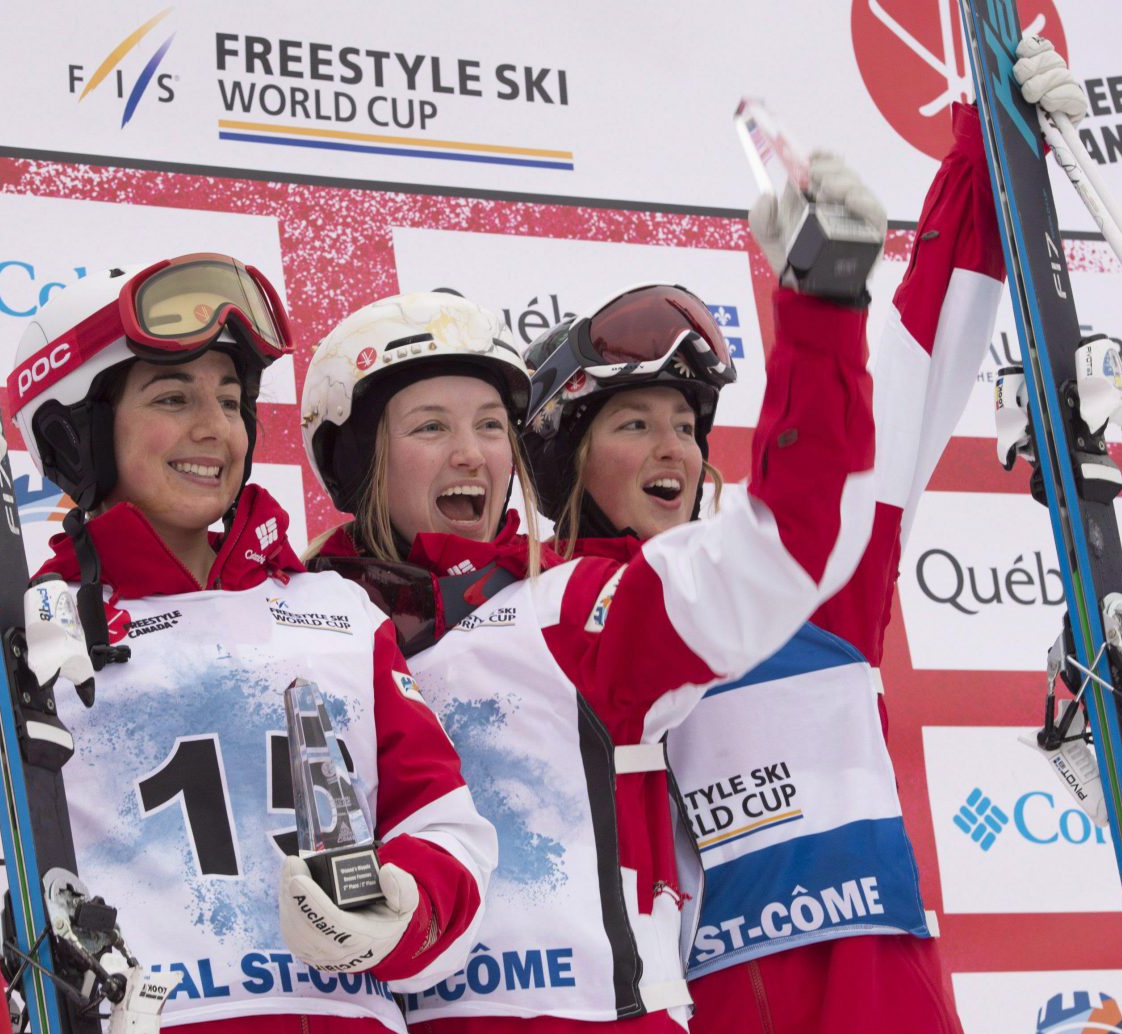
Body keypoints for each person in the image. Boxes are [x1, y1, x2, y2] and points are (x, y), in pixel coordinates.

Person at [519, 36, 1085, 1034]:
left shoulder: (815, 568)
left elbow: (921, 340)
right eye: (632, 422)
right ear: (567, 457)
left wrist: (994, 147)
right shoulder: (544, 637)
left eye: (686, 425)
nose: (674, 448)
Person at [297, 150, 883, 1031]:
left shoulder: (568, 604)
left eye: (493, 425)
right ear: (356, 460)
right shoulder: (307, 625)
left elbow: (790, 542)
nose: (473, 454)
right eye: (431, 426)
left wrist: (824, 309)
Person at [0, 253, 496, 1033]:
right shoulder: (29, 625)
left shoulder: (338, 612)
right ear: (76, 433)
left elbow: (442, 825)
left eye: (233, 400)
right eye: (174, 397)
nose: (215, 430)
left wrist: (404, 906)